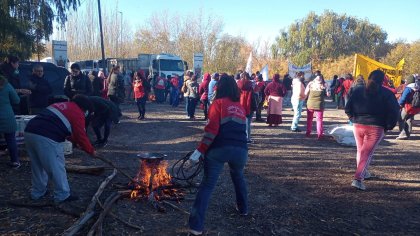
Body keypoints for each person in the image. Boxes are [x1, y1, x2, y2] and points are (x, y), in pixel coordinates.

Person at [187, 74, 248, 235]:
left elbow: (211, 131)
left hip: (219, 149)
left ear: (219, 88)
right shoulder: (240, 107)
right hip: (241, 150)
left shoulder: (218, 103)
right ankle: (243, 209)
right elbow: (244, 132)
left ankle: (196, 226)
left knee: (207, 185)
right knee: (238, 177)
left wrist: (199, 151)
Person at [24, 94, 96, 202]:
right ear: (84, 108)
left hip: (30, 131)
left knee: (37, 165)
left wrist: (76, 143)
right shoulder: (78, 112)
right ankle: (62, 194)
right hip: (47, 136)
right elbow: (81, 135)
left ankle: (37, 192)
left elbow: (66, 130)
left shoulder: (59, 105)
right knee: (56, 165)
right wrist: (91, 151)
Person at [345, 70, 399, 190]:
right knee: (366, 153)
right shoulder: (387, 94)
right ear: (382, 81)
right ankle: (358, 179)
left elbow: (348, 107)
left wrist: (353, 118)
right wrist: (389, 126)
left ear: (368, 77)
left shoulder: (358, 90)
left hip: (358, 124)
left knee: (361, 151)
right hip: (376, 127)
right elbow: (394, 112)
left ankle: (363, 172)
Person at [0, 75, 21, 169]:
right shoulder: (7, 85)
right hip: (7, 116)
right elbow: (16, 100)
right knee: (11, 139)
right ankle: (15, 161)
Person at [305, 75, 330, 139]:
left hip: (310, 104)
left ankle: (308, 132)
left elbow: (306, 93)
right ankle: (320, 134)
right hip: (319, 105)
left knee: (309, 119)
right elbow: (328, 94)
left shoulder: (310, 84)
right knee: (319, 120)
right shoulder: (324, 84)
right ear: (321, 78)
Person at [396, 75, 420, 140]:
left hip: (407, 107)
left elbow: (403, 98)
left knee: (401, 119)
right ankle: (408, 134)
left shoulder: (408, 88)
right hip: (415, 107)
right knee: (409, 119)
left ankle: (403, 134)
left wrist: (398, 105)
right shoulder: (418, 87)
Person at [237, 72, 255, 142]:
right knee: (248, 123)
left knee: (239, 122)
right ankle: (247, 138)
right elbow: (256, 92)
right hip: (249, 105)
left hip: (239, 105)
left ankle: (239, 137)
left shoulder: (238, 84)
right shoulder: (252, 84)